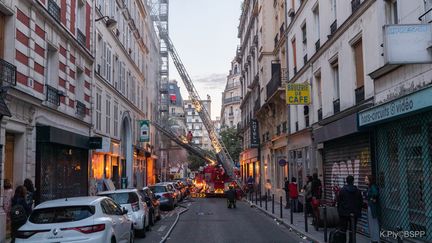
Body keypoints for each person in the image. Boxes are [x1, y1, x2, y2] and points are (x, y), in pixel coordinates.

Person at [337, 175, 363, 243]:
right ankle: (352, 241)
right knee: (352, 229)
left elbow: (339, 201)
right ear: (353, 181)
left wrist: (339, 211)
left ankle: (343, 241)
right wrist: (358, 211)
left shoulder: (342, 190)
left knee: (343, 230)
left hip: (344, 213)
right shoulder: (358, 191)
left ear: (346, 181)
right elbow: (360, 202)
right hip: (354, 213)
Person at [365, 175, 380, 243]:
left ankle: (375, 239)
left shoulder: (373, 186)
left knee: (373, 223)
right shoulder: (370, 187)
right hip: (370, 206)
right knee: (371, 223)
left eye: (366, 179)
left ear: (370, 180)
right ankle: (373, 239)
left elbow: (376, 194)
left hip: (372, 207)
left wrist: (372, 198)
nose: (365, 180)